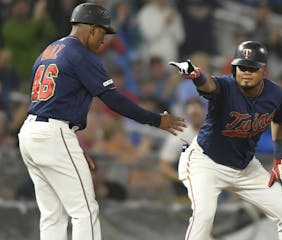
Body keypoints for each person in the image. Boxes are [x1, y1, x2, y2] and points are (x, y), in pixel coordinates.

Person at [17, 3, 185, 240]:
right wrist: (156, 120)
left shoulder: (49, 50)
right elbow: (114, 100)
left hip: (32, 132)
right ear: (92, 29)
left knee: (53, 214)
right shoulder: (81, 54)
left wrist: (69, 143)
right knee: (85, 210)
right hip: (53, 134)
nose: (104, 40)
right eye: (103, 32)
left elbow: (51, 101)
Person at [169, 41, 282, 240]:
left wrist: (279, 159)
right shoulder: (225, 86)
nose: (246, 72)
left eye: (252, 68)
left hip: (246, 168)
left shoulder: (275, 93)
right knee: (203, 216)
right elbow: (209, 86)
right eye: (242, 67)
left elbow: (281, 121)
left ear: (264, 71)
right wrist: (197, 76)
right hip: (206, 163)